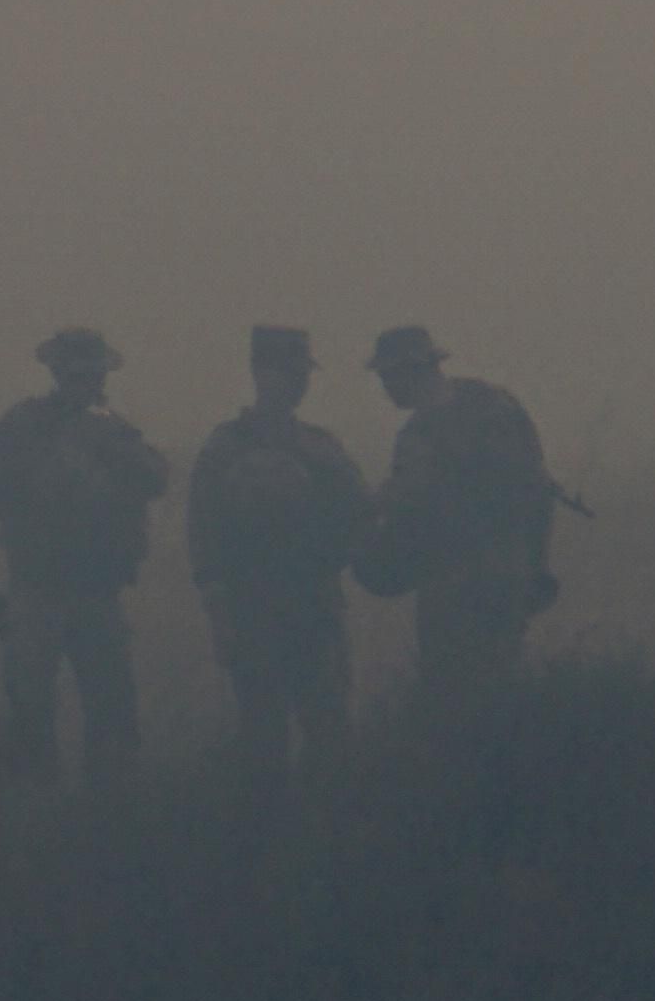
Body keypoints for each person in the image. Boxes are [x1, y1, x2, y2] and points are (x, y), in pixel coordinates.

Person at [0, 327, 173, 789]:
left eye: (92, 373)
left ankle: (105, 806)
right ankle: (37, 800)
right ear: (58, 373)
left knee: (111, 707)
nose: (86, 382)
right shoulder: (24, 424)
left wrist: (110, 448)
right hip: (36, 588)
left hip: (96, 590)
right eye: (77, 373)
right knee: (31, 704)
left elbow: (156, 476)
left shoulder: (114, 428)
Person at [191, 327, 372, 806]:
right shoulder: (224, 449)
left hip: (315, 605)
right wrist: (219, 612)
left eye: (302, 374)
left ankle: (325, 836)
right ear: (260, 373)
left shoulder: (320, 447)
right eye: (289, 373)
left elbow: (358, 511)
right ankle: (266, 841)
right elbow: (204, 539)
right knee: (263, 738)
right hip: (254, 609)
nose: (298, 383)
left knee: (330, 732)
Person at [355, 325, 563, 709]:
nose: (385, 386)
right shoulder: (497, 404)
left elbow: (408, 524)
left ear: (412, 370)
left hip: (453, 591)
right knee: (502, 693)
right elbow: (538, 491)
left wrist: (367, 529)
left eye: (388, 376)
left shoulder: (419, 437)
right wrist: (535, 567)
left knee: (452, 700)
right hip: (510, 578)